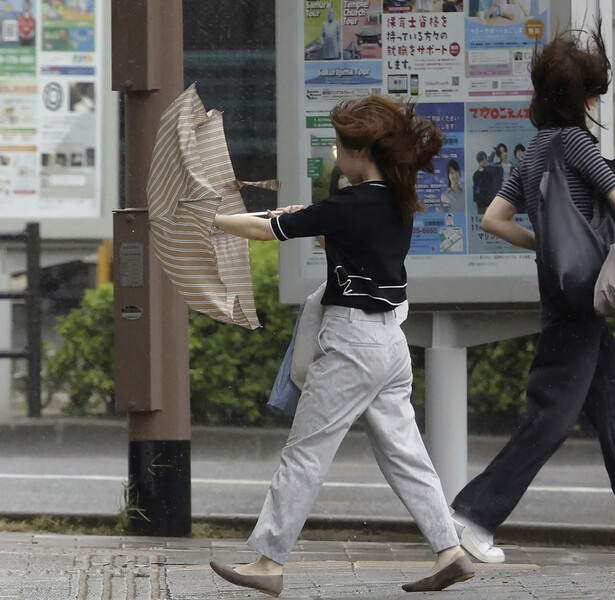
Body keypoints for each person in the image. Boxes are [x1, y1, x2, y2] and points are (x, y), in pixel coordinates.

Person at [450, 21, 615, 566]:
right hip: (582, 298)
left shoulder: (533, 151)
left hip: (567, 295)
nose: (596, 100)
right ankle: (472, 516)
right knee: (550, 415)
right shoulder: (576, 144)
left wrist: (542, 243)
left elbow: (494, 219)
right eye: (594, 91)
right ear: (584, 98)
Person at [209, 95, 475, 596]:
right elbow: (343, 239)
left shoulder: (349, 205)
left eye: (338, 146)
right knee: (406, 454)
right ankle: (451, 550)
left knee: (305, 452)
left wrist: (214, 221)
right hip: (390, 342)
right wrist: (311, 220)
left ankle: (268, 563)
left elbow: (267, 231)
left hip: (352, 343)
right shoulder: (398, 199)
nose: (334, 154)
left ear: (359, 154)